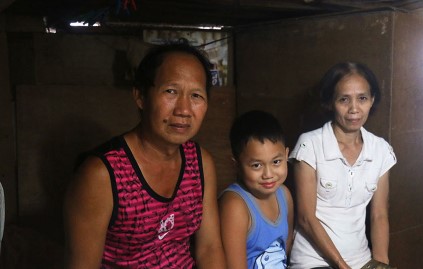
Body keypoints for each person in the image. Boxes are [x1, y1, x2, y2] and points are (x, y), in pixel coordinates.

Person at [64, 42, 226, 269]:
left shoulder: (200, 163)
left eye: (196, 95)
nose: (184, 110)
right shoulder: (101, 175)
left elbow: (209, 248)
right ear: (140, 96)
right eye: (171, 91)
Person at [288, 62, 397, 269]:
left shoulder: (381, 150)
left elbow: (379, 214)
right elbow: (305, 218)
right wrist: (341, 266)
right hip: (313, 261)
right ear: (330, 103)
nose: (354, 109)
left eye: (362, 98)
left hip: (361, 260)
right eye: (344, 99)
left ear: (372, 100)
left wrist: (381, 263)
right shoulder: (310, 144)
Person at [219, 110, 294, 269]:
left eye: (276, 162)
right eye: (256, 165)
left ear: (286, 155)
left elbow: (284, 250)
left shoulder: (284, 195)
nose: (268, 174)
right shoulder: (235, 205)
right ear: (236, 165)